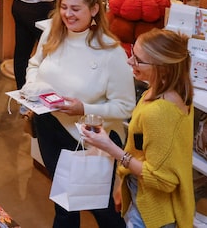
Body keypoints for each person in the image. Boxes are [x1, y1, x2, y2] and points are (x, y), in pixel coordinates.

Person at [23, 0, 136, 228]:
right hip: (49, 127)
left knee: (102, 208)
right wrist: (32, 87)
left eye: (75, 9)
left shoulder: (111, 52)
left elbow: (126, 107)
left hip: (90, 139)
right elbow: (34, 64)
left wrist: (84, 109)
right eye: (63, 7)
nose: (67, 14)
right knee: (64, 203)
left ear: (94, 10)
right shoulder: (53, 33)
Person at [81, 29, 194, 228]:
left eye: (138, 60)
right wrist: (124, 185)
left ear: (164, 68)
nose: (130, 61)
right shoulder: (169, 91)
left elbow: (163, 180)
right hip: (141, 195)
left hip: (155, 213)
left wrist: (110, 148)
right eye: (133, 53)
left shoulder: (160, 112)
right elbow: (143, 150)